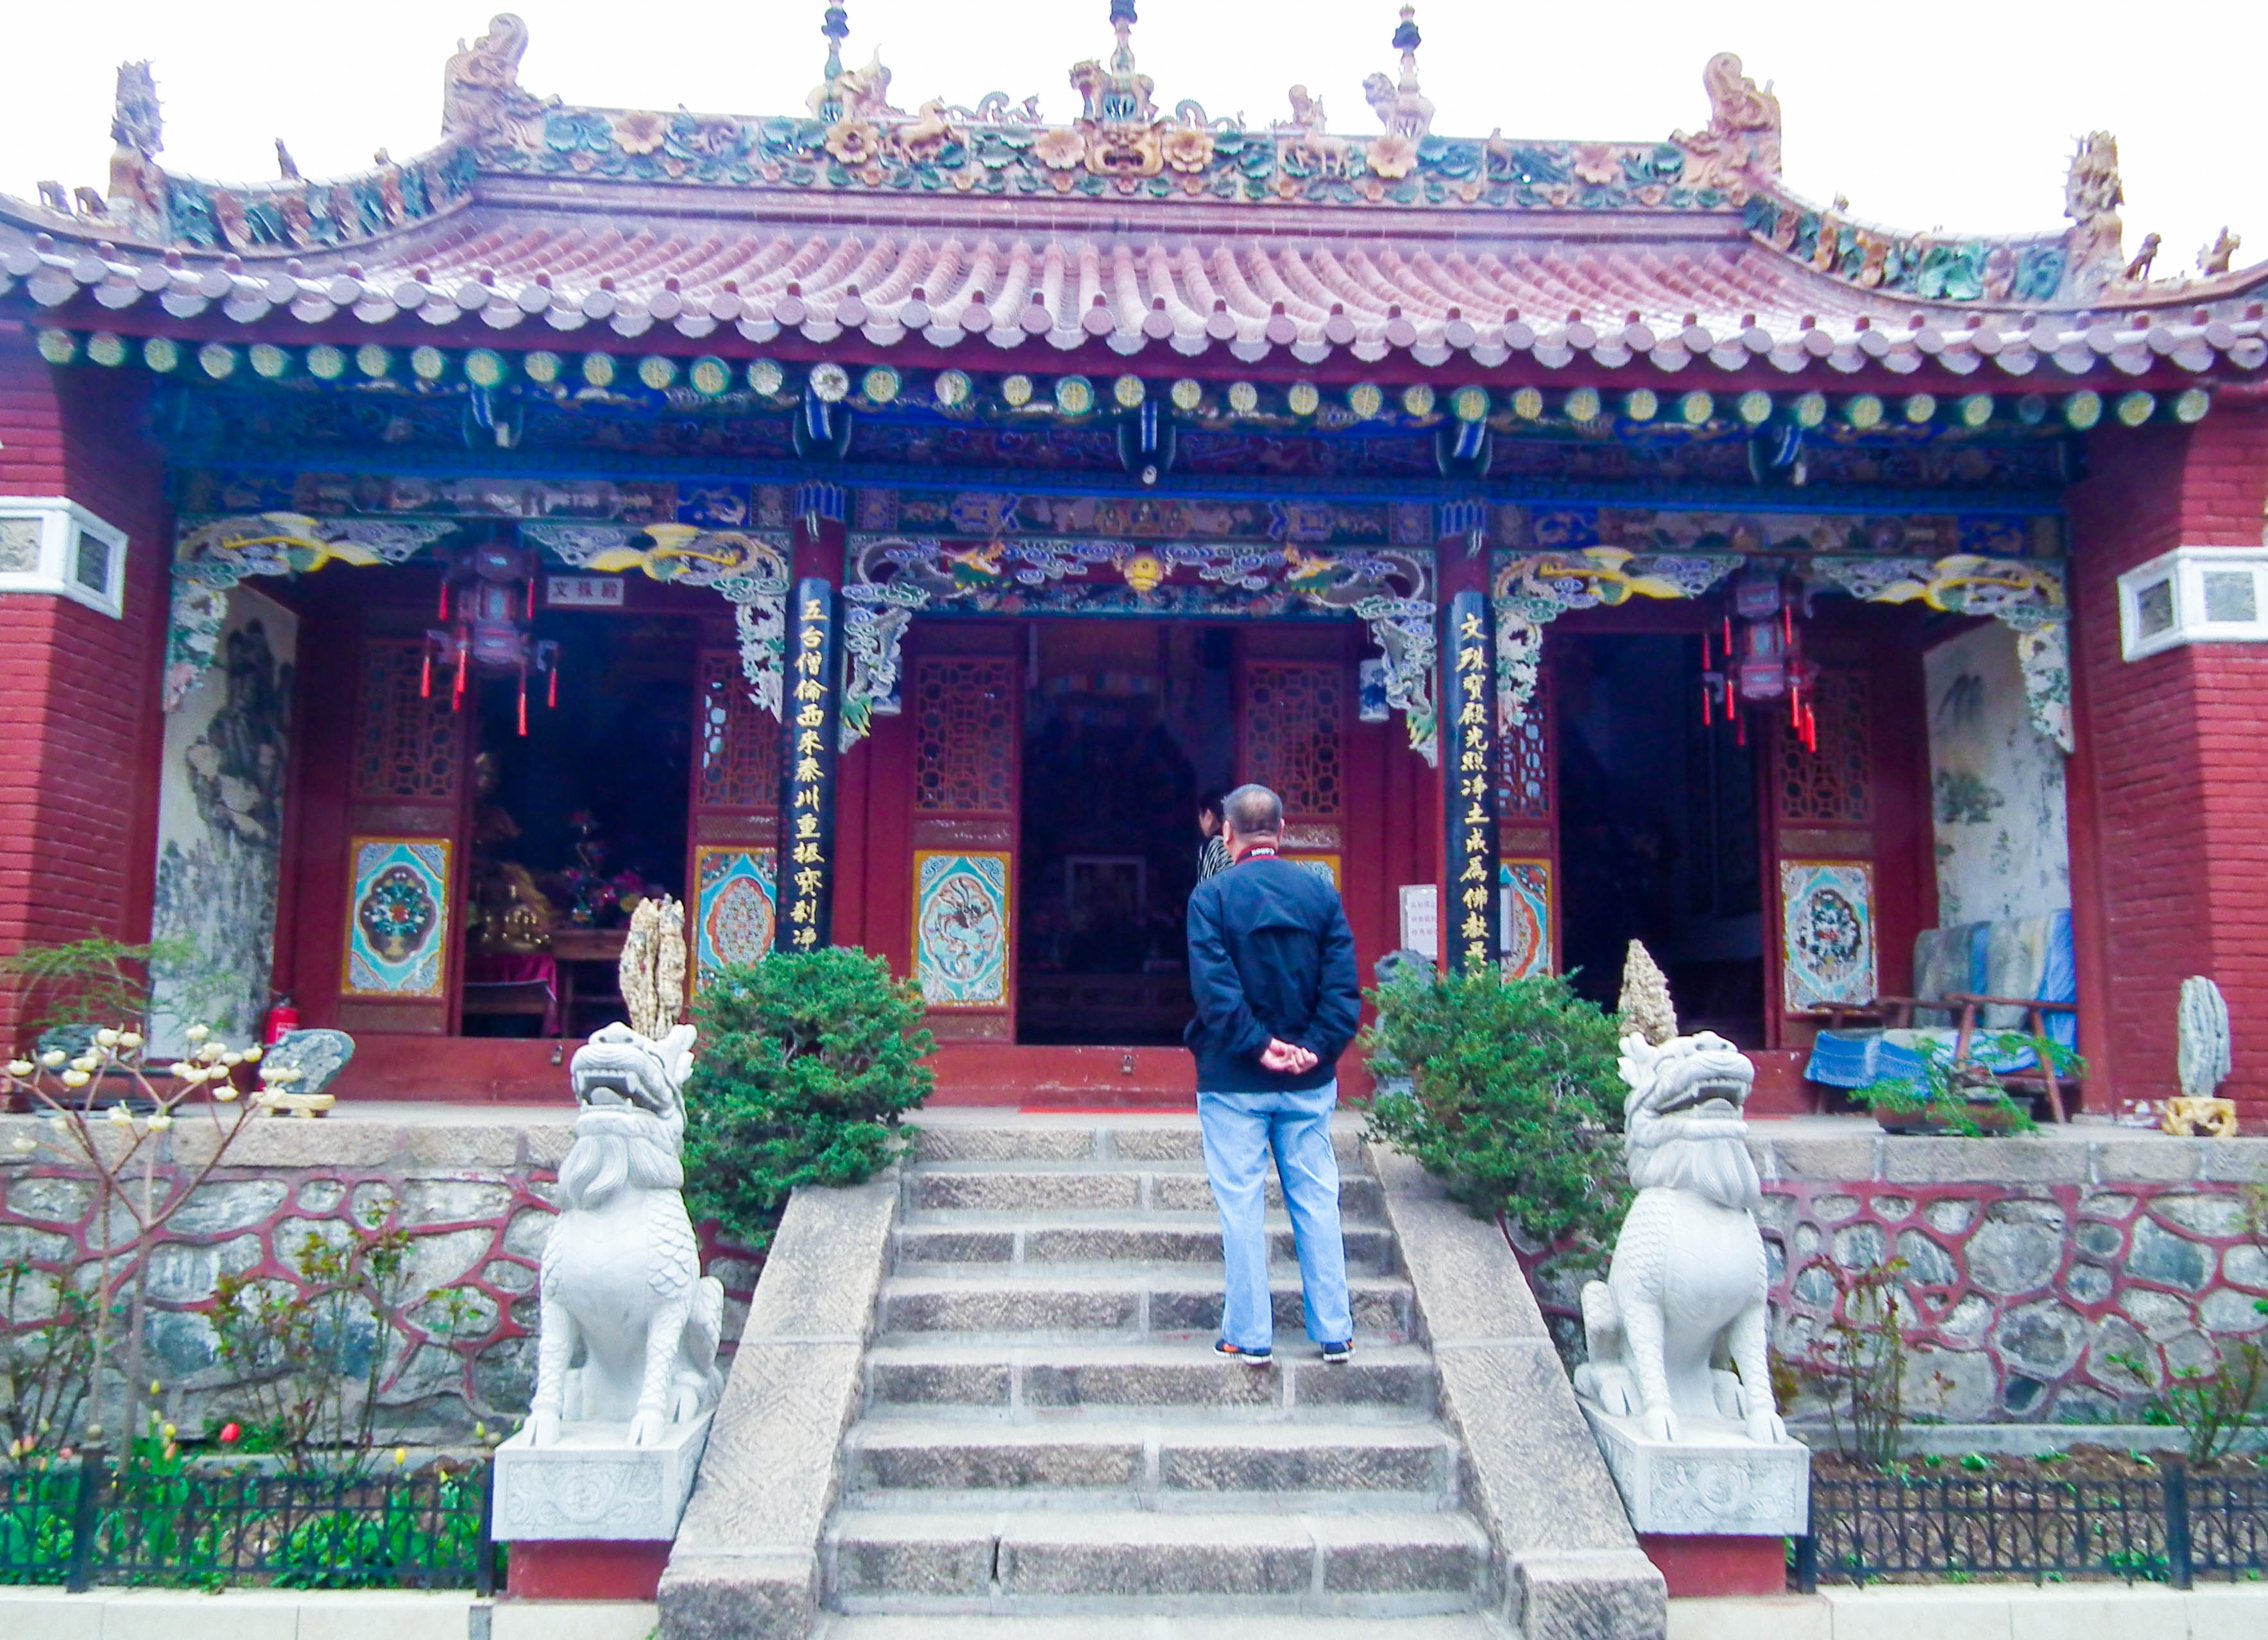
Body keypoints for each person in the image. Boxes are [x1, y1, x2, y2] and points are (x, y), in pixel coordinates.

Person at [1183, 782, 1360, 1365]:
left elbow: (1215, 992)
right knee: (1315, 1198)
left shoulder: (1211, 899)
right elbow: (1341, 991)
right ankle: (1334, 1331)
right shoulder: (1320, 896)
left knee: (1240, 1203)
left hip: (1234, 1079)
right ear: (1281, 833)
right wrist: (1313, 1048)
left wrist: (1259, 1046)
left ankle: (1249, 1335)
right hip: (1307, 1082)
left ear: (1226, 834)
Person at [1196, 793, 1231, 882]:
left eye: (1200, 815)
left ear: (1209, 816)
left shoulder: (1213, 845)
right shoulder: (1238, 843)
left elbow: (1205, 890)